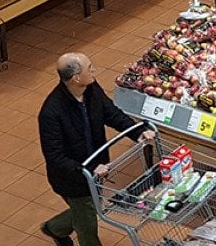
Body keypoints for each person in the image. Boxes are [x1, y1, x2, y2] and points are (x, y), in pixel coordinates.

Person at [39, 53, 151, 246]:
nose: (94, 71)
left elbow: (111, 113)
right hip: (72, 178)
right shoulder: (51, 113)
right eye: (89, 68)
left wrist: (138, 132)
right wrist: (88, 170)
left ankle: (54, 227)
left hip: (96, 169)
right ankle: (57, 229)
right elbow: (55, 157)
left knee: (90, 208)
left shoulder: (91, 89)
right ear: (76, 78)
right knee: (87, 224)